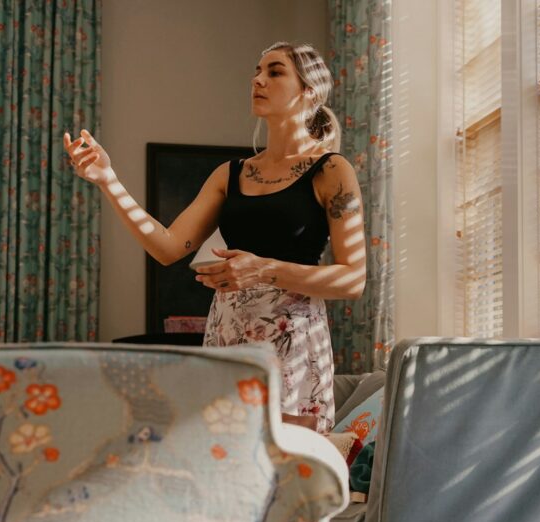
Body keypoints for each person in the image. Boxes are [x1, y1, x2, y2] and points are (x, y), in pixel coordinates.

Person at [63, 42, 366, 433]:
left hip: (294, 349)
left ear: (309, 90)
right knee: (225, 476)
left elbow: (352, 279)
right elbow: (167, 247)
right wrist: (109, 182)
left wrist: (263, 270)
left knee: (286, 482)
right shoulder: (230, 173)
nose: (258, 79)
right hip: (227, 338)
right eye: (257, 71)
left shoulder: (332, 170)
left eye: (274, 72)